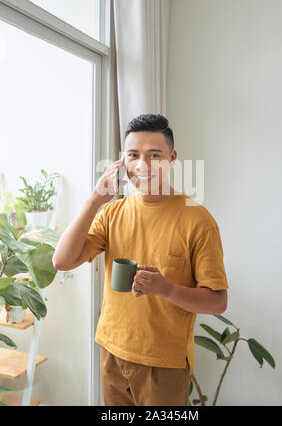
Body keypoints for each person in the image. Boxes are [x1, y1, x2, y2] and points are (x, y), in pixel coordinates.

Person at [52, 113, 229, 406]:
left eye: (154, 155)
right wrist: (94, 200)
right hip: (111, 352)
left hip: (164, 364)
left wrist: (167, 289)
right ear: (123, 161)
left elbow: (217, 301)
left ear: (172, 158)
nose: (142, 165)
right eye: (133, 155)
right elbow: (62, 261)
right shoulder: (112, 212)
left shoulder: (197, 219)